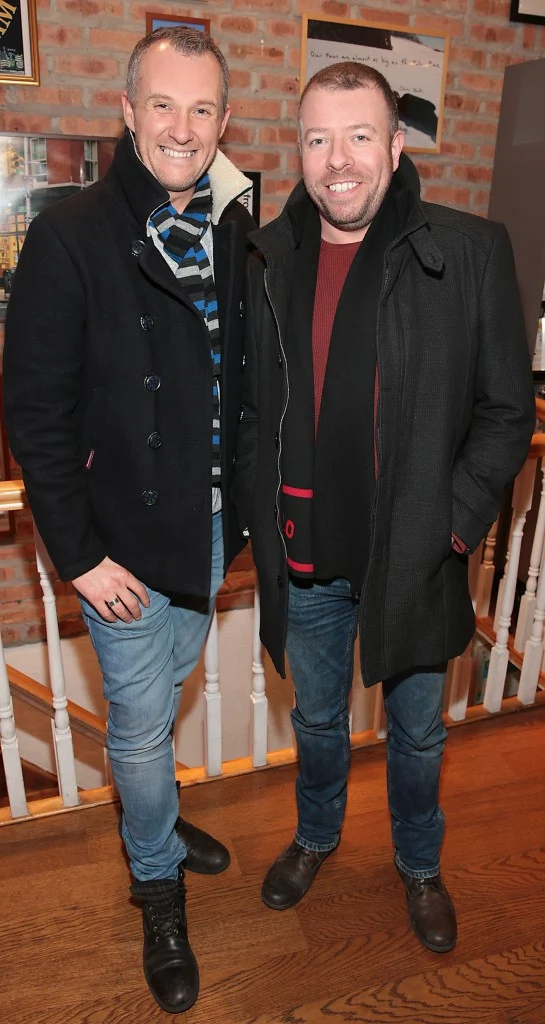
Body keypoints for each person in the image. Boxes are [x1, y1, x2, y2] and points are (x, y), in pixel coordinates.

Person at [233, 62, 535, 954]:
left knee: (416, 734)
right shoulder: (266, 256)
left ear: (396, 146)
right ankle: (316, 836)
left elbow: (506, 413)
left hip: (415, 553)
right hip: (305, 553)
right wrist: (255, 511)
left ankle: (418, 863)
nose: (338, 160)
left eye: (359, 135)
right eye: (318, 138)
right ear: (299, 149)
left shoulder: (470, 250)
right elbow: (251, 410)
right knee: (316, 718)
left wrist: (453, 523)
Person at [3, 27, 254, 1014]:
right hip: (122, 543)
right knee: (143, 730)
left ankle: (158, 818)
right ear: (126, 110)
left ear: (223, 120)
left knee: (169, 686)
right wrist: (78, 557)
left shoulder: (235, 227)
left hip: (209, 524)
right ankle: (156, 882)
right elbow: (35, 414)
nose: (181, 128)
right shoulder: (70, 234)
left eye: (201, 109)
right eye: (162, 105)